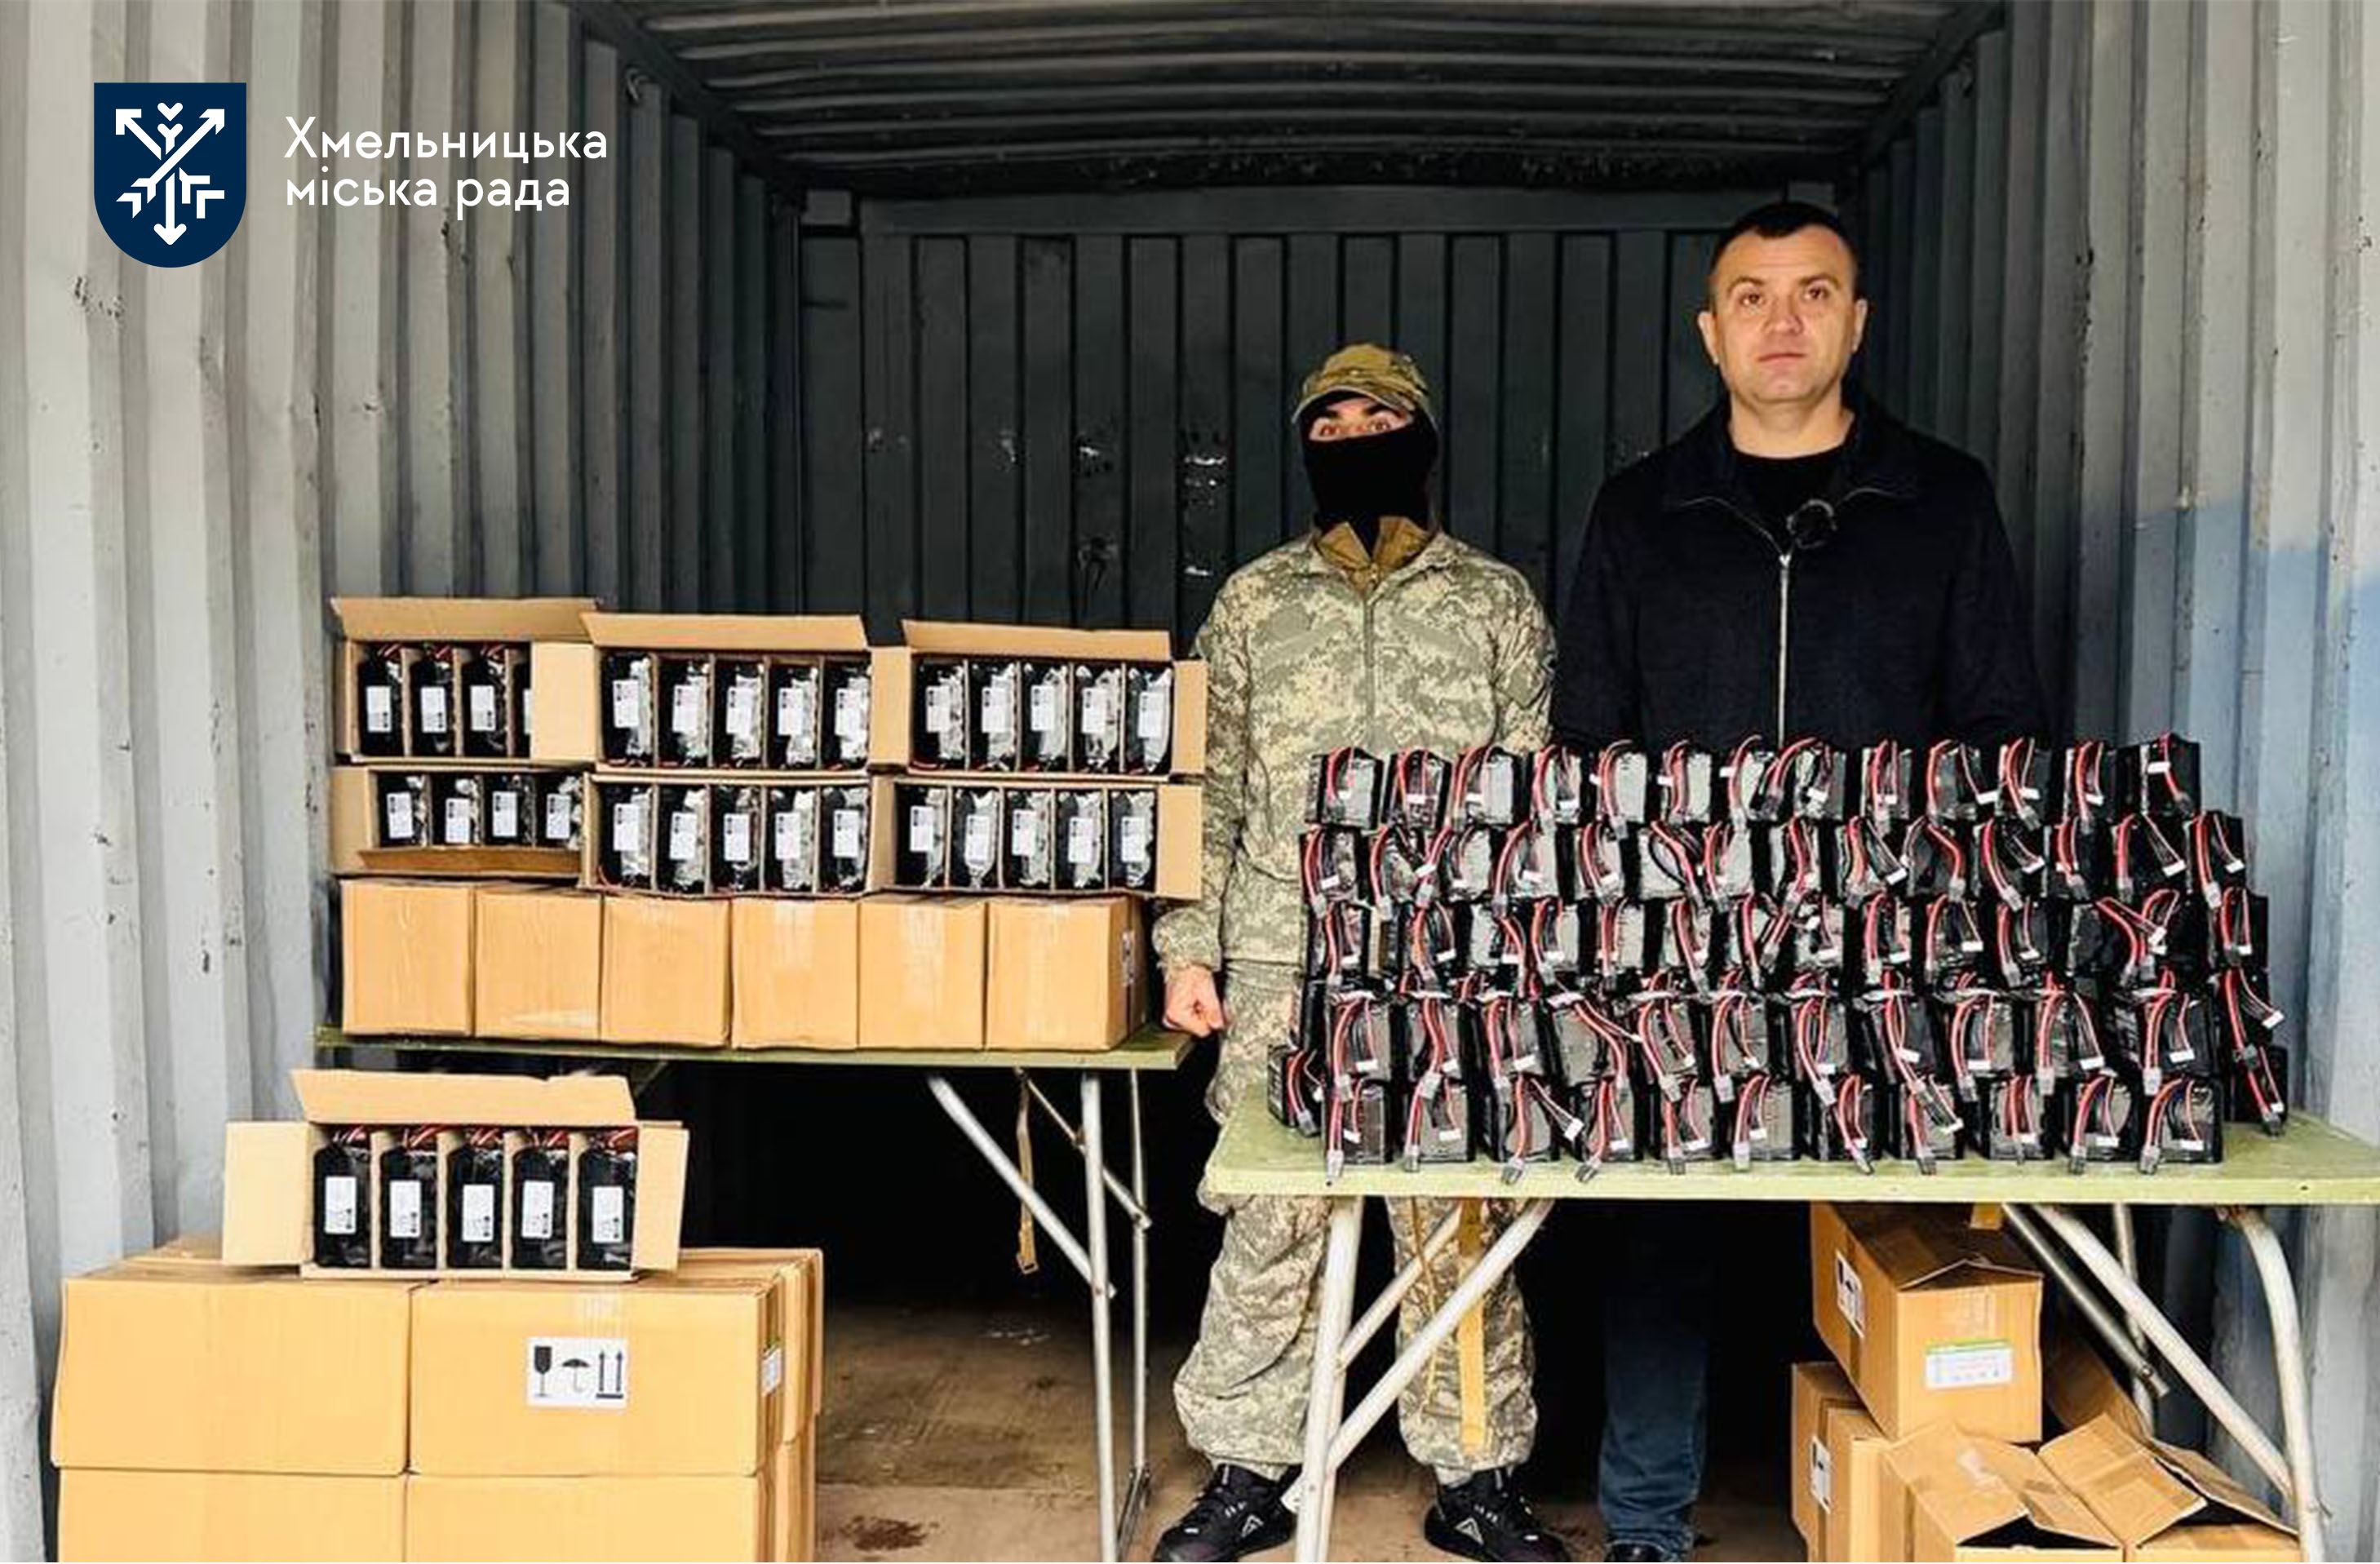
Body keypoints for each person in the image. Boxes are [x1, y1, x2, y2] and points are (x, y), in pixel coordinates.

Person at [1552, 201, 2048, 1562]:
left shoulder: (1939, 500)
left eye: (1813, 292)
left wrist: (1933, 888)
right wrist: (1648, 898)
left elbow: (2001, 724)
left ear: (1857, 321)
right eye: (1752, 296)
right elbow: (1586, 737)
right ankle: (1645, 1520)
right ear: (1709, 333)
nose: (1782, 321)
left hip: (1892, 943)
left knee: (1906, 1224)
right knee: (1660, 1227)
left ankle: (1925, 1508)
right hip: (1682, 944)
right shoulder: (1641, 512)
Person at [1152, 343, 1568, 1563]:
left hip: (1449, 968)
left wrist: (1519, 965)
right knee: (1273, 1219)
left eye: (1375, 423)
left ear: (1421, 439)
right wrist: (1189, 950)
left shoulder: (1493, 603)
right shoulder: (1253, 604)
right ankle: (1247, 1472)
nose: (1350, 444)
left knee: (1456, 1223)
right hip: (1283, 962)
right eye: (1326, 429)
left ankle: (1476, 1479)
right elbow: (1208, 794)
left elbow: (1532, 805)